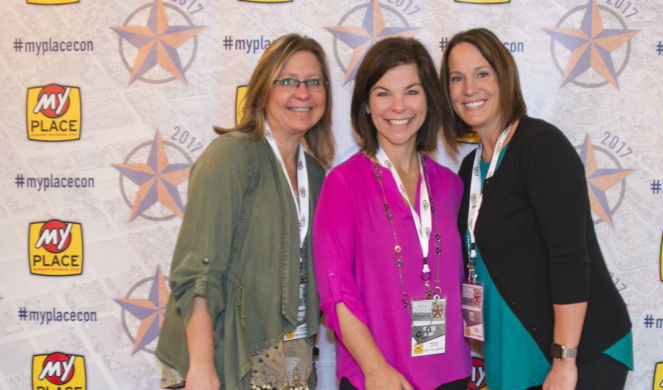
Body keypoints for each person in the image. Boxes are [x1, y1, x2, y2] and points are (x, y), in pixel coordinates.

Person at [441, 28, 633, 390]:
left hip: (578, 353)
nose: (469, 89)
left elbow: (570, 258)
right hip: (512, 349)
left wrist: (564, 360)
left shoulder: (541, 147)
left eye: (482, 73)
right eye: (456, 78)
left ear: (504, 77)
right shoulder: (470, 169)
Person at [155, 34, 335, 390]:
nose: (302, 93)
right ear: (263, 90)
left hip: (291, 356)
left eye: (313, 82)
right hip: (225, 355)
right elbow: (199, 272)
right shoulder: (231, 156)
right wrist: (202, 367)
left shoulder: (316, 175)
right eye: (287, 81)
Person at [313, 37, 472, 390]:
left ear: (429, 99)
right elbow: (337, 293)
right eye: (384, 93)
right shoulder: (343, 184)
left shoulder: (451, 186)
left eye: (411, 91)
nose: (399, 106)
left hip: (450, 374)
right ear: (366, 105)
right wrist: (375, 369)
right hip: (378, 378)